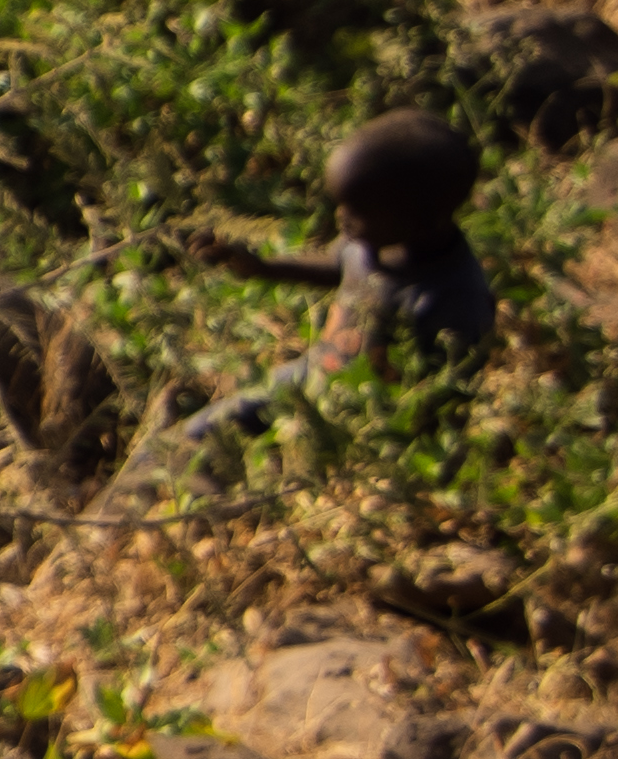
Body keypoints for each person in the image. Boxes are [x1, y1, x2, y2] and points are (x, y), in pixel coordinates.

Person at [112, 111, 500, 500]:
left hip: (361, 421)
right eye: (343, 205)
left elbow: (448, 400)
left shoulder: (450, 303)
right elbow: (337, 265)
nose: (342, 218)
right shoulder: (371, 242)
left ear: (423, 221)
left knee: (269, 489)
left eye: (359, 211)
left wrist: (406, 471)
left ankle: (219, 508)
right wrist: (262, 268)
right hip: (309, 378)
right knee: (177, 446)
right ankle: (117, 515)